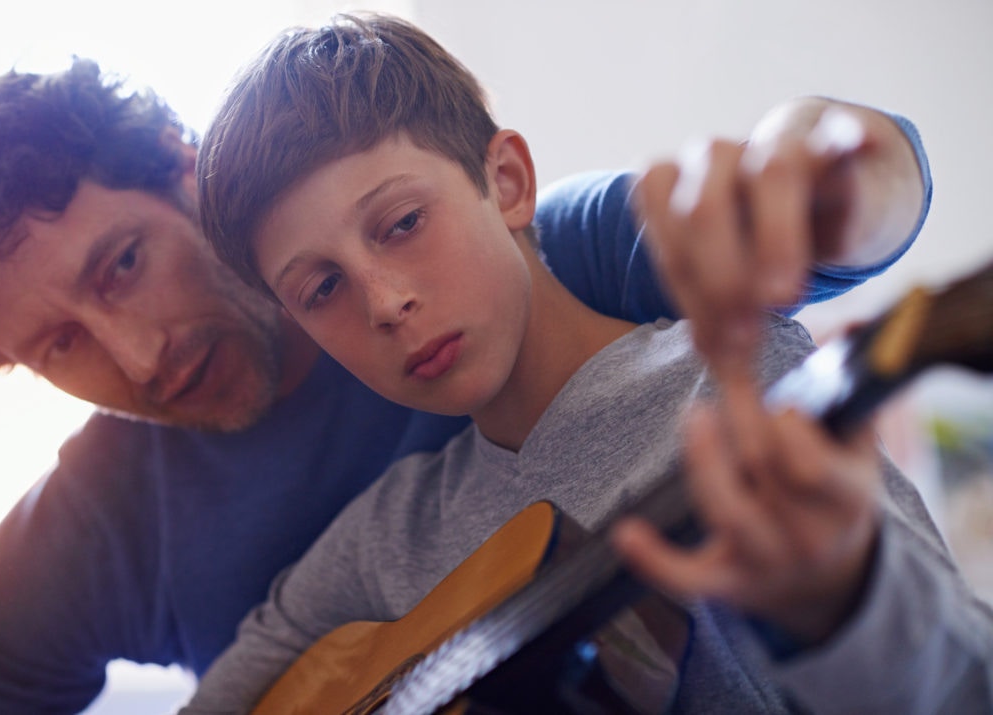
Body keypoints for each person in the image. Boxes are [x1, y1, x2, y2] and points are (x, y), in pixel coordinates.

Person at [0, 39, 931, 715]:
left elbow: (830, 210)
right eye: (59, 346)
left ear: (183, 173)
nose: (140, 354)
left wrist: (823, 162)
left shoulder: (539, 257)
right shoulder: (73, 544)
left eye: (123, 264)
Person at [184, 13, 990, 713]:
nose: (384, 301)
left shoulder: (735, 385)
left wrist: (854, 602)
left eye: (401, 223)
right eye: (322, 286)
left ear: (506, 183)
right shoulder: (386, 536)